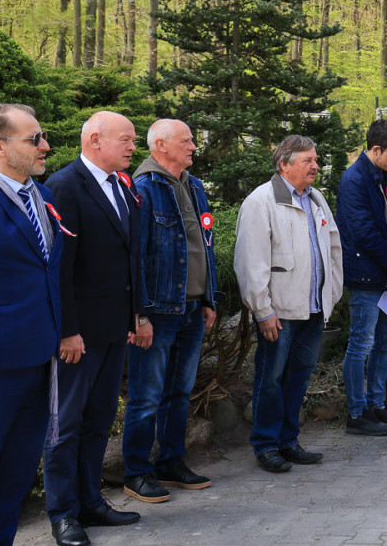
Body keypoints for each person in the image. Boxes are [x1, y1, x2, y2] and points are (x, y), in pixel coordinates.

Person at [44, 111, 146, 545]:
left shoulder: (124, 187)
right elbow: (60, 267)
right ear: (94, 139)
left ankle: (91, 502)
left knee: (99, 420)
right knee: (65, 426)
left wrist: (136, 316)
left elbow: (131, 259)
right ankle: (63, 513)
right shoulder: (65, 186)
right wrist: (68, 330)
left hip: (113, 330)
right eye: (124, 139)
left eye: (134, 140)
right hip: (78, 336)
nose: (131, 147)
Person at [0, 104, 62, 546]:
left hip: (39, 358)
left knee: (18, 474)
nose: (45, 146)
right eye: (35, 139)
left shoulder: (42, 199)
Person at [122, 120, 220, 505]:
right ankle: (136, 473)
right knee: (146, 396)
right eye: (187, 141)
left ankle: (171, 463)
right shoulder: (144, 189)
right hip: (158, 312)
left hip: (193, 309)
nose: (194, 146)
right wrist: (139, 314)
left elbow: (205, 247)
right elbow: (136, 259)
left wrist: (209, 298)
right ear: (161, 146)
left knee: (179, 393)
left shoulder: (194, 186)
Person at [234, 135, 344, 473]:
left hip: (312, 309)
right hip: (278, 312)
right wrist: (262, 310)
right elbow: (250, 262)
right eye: (308, 160)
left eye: (316, 159)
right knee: (271, 379)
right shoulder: (261, 201)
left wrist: (331, 294)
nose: (316, 166)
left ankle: (288, 441)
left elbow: (334, 248)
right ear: (285, 164)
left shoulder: (316, 199)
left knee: (298, 377)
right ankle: (266, 445)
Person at [336, 119, 387, 437]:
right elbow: (362, 230)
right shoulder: (354, 180)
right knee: (361, 344)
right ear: (376, 149)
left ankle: (377, 404)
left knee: (386, 342)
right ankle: (357, 413)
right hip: (366, 276)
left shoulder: (383, 177)